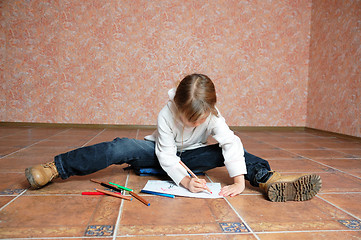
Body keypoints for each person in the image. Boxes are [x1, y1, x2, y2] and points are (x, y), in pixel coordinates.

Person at [25, 73, 321, 202]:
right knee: (121, 146)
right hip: (155, 152)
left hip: (191, 156)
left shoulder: (215, 116)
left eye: (200, 119)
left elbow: (231, 144)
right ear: (177, 105)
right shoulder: (165, 115)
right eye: (186, 117)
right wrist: (184, 181)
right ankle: (56, 168)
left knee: (229, 149)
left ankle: (268, 180)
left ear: (211, 110)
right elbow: (166, 155)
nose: (193, 122)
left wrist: (240, 181)